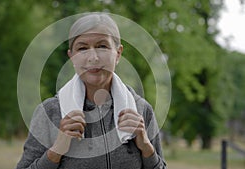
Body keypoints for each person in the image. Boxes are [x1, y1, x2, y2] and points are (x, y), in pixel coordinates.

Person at [16, 13, 167, 169]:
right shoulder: (49, 112)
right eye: (82, 48)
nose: (93, 57)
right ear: (72, 57)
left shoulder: (141, 110)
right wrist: (56, 151)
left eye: (102, 46)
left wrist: (146, 147)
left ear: (118, 53)